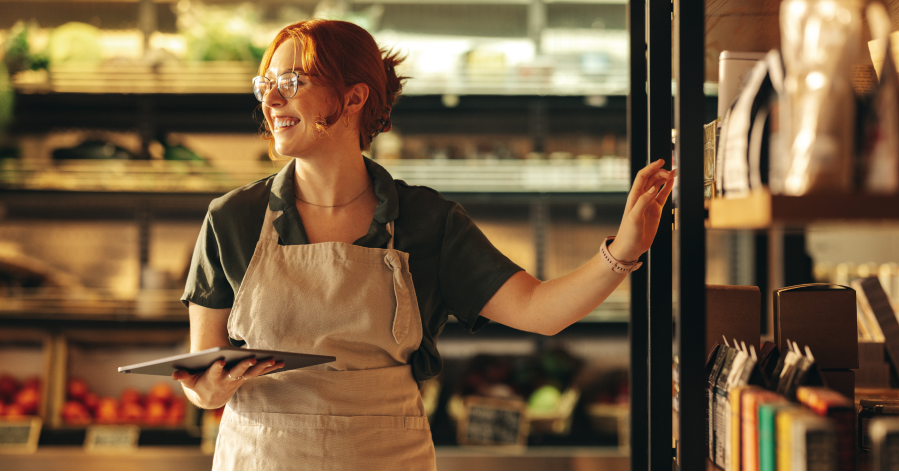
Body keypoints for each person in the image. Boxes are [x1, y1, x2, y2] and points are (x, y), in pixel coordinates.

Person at [176, 19, 674, 471]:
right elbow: (204, 370)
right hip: (263, 458)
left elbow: (541, 310)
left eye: (293, 83)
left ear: (353, 99)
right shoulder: (233, 219)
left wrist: (623, 251)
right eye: (266, 85)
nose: (271, 100)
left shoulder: (428, 222)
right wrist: (211, 391)